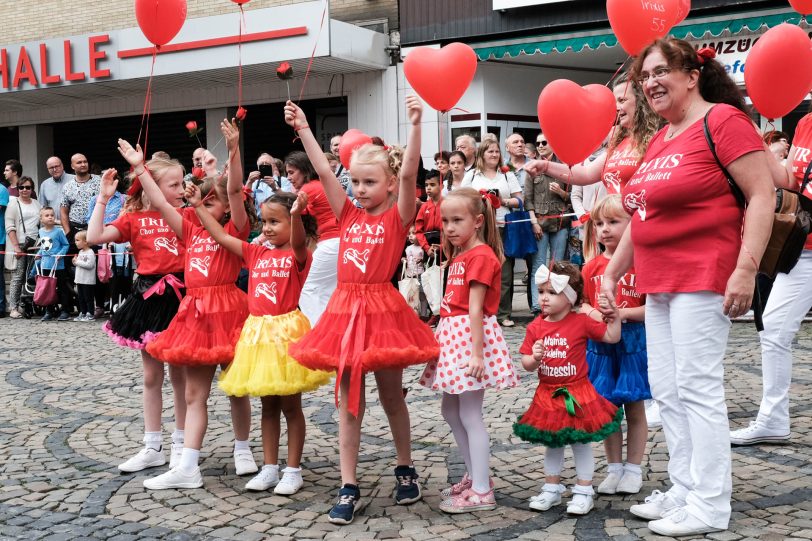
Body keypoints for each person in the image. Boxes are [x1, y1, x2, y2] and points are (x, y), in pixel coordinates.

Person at [601, 39, 775, 537]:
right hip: (659, 282)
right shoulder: (661, 137)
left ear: (691, 74)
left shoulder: (722, 121)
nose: (650, 83)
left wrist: (746, 268)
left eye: (659, 72)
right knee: (670, 391)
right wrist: (613, 272)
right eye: (644, 77)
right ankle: (684, 487)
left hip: (703, 274)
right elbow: (642, 213)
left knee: (698, 389)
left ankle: (711, 503)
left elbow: (761, 195)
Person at [284, 97, 438, 525]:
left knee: (392, 397)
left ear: (389, 184)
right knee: (349, 403)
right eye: (355, 181)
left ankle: (405, 466)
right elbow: (322, 170)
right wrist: (303, 129)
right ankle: (348, 484)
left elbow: (409, 172)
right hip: (345, 313)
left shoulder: (398, 216)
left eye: (369, 182)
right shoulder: (347, 214)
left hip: (382, 312)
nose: (359, 189)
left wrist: (415, 125)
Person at [118, 121, 258, 490]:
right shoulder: (191, 228)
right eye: (201, 201)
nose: (199, 204)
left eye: (211, 201)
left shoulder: (235, 229)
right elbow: (161, 202)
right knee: (195, 393)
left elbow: (234, 191)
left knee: (236, 387)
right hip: (196, 314)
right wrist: (140, 168)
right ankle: (188, 467)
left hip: (229, 309)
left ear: (228, 208)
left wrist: (234, 151)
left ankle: (243, 448)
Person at [199, 190, 331, 494]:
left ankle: (293, 469)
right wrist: (196, 207)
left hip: (286, 334)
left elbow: (298, 241)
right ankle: (270, 467)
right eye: (265, 221)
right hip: (258, 336)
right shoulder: (256, 253)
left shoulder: (298, 255)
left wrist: (296, 215)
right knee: (268, 407)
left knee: (291, 407)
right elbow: (220, 236)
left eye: (275, 222)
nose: (267, 227)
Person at [419, 188, 517, 513]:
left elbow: (475, 309)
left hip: (468, 336)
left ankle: (482, 490)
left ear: (477, 221)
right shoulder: (461, 255)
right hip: (453, 332)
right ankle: (475, 474)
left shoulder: (482, 256)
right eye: (445, 220)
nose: (448, 227)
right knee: (451, 411)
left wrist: (477, 353)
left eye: (456, 220)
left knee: (470, 414)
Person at [88, 158, 188, 474]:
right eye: (174, 185)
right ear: (152, 187)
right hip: (148, 297)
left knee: (180, 377)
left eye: (181, 183)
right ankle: (152, 445)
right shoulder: (134, 218)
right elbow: (94, 238)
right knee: (151, 376)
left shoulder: (187, 214)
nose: (181, 189)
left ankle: (182, 443)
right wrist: (103, 198)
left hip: (182, 295)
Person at [729, 105, 812, 447]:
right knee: (774, 327)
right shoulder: (807, 122)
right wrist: (754, 139)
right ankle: (773, 419)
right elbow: (790, 179)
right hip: (803, 248)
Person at [514, 262, 622, 516]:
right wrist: (534, 358)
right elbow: (526, 364)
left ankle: (584, 491)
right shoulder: (535, 326)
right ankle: (551, 489)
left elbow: (611, 337)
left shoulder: (581, 322)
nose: (544, 298)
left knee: (580, 443)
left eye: (552, 292)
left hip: (577, 393)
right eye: (541, 292)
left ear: (570, 297)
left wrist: (615, 318)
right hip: (548, 396)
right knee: (553, 444)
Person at [581, 194, 650, 495]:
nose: (604, 229)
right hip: (602, 346)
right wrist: (597, 314)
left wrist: (621, 314)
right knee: (607, 408)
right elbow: (581, 304)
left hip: (633, 343)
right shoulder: (590, 267)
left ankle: (633, 469)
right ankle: (613, 468)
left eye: (613, 222)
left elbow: (653, 309)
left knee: (634, 409)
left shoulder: (642, 264)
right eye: (599, 223)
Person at [461, 139, 523, 327]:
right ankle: (477, 310)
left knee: (504, 272)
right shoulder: (471, 175)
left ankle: (503, 314)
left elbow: (519, 201)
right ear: (482, 154)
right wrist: (479, 199)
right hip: (478, 228)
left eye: (497, 152)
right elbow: (461, 197)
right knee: (478, 271)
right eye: (490, 152)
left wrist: (500, 200)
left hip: (503, 226)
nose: (494, 155)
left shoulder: (507, 175)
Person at [286, 151, 340, 326]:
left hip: (332, 242)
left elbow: (290, 217)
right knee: (327, 291)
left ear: (304, 170)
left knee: (307, 288)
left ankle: (319, 334)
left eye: (291, 172)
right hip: (340, 242)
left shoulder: (308, 189)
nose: (288, 177)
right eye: (287, 173)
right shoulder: (318, 185)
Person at [5, 177, 41, 319]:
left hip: (35, 244)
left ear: (32, 189)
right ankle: (13, 306)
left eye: (27, 187)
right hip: (20, 243)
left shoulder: (37, 204)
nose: (24, 190)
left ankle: (28, 304)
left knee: (31, 276)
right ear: (18, 189)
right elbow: (10, 226)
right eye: (21, 187)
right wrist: (15, 246)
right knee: (18, 276)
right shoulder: (13, 204)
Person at [35, 207, 71, 321]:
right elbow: (43, 246)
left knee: (62, 288)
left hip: (58, 266)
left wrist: (60, 254)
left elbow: (66, 245)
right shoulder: (40, 232)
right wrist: (39, 253)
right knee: (47, 289)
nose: (50, 217)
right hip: (45, 265)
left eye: (52, 215)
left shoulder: (59, 232)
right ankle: (49, 311)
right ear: (41, 219)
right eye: (47, 215)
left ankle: (65, 310)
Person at [72, 230, 97, 321]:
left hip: (88, 281)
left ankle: (90, 313)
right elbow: (79, 264)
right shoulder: (80, 252)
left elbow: (89, 265)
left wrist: (77, 262)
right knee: (81, 298)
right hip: (80, 279)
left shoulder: (90, 252)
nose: (75, 242)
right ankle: (83, 312)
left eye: (78, 240)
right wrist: (74, 262)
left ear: (86, 241)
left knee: (88, 298)